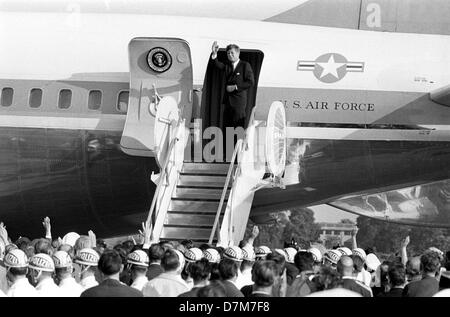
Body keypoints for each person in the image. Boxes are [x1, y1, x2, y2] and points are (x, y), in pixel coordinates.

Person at [210, 41, 254, 130]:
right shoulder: (227, 65)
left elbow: (250, 82)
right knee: (228, 128)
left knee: (238, 128)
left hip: (239, 103)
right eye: (228, 53)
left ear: (238, 53)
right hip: (228, 103)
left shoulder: (245, 65)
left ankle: (238, 144)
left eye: (232, 53)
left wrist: (236, 87)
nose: (230, 55)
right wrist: (214, 53)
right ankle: (229, 144)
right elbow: (217, 65)